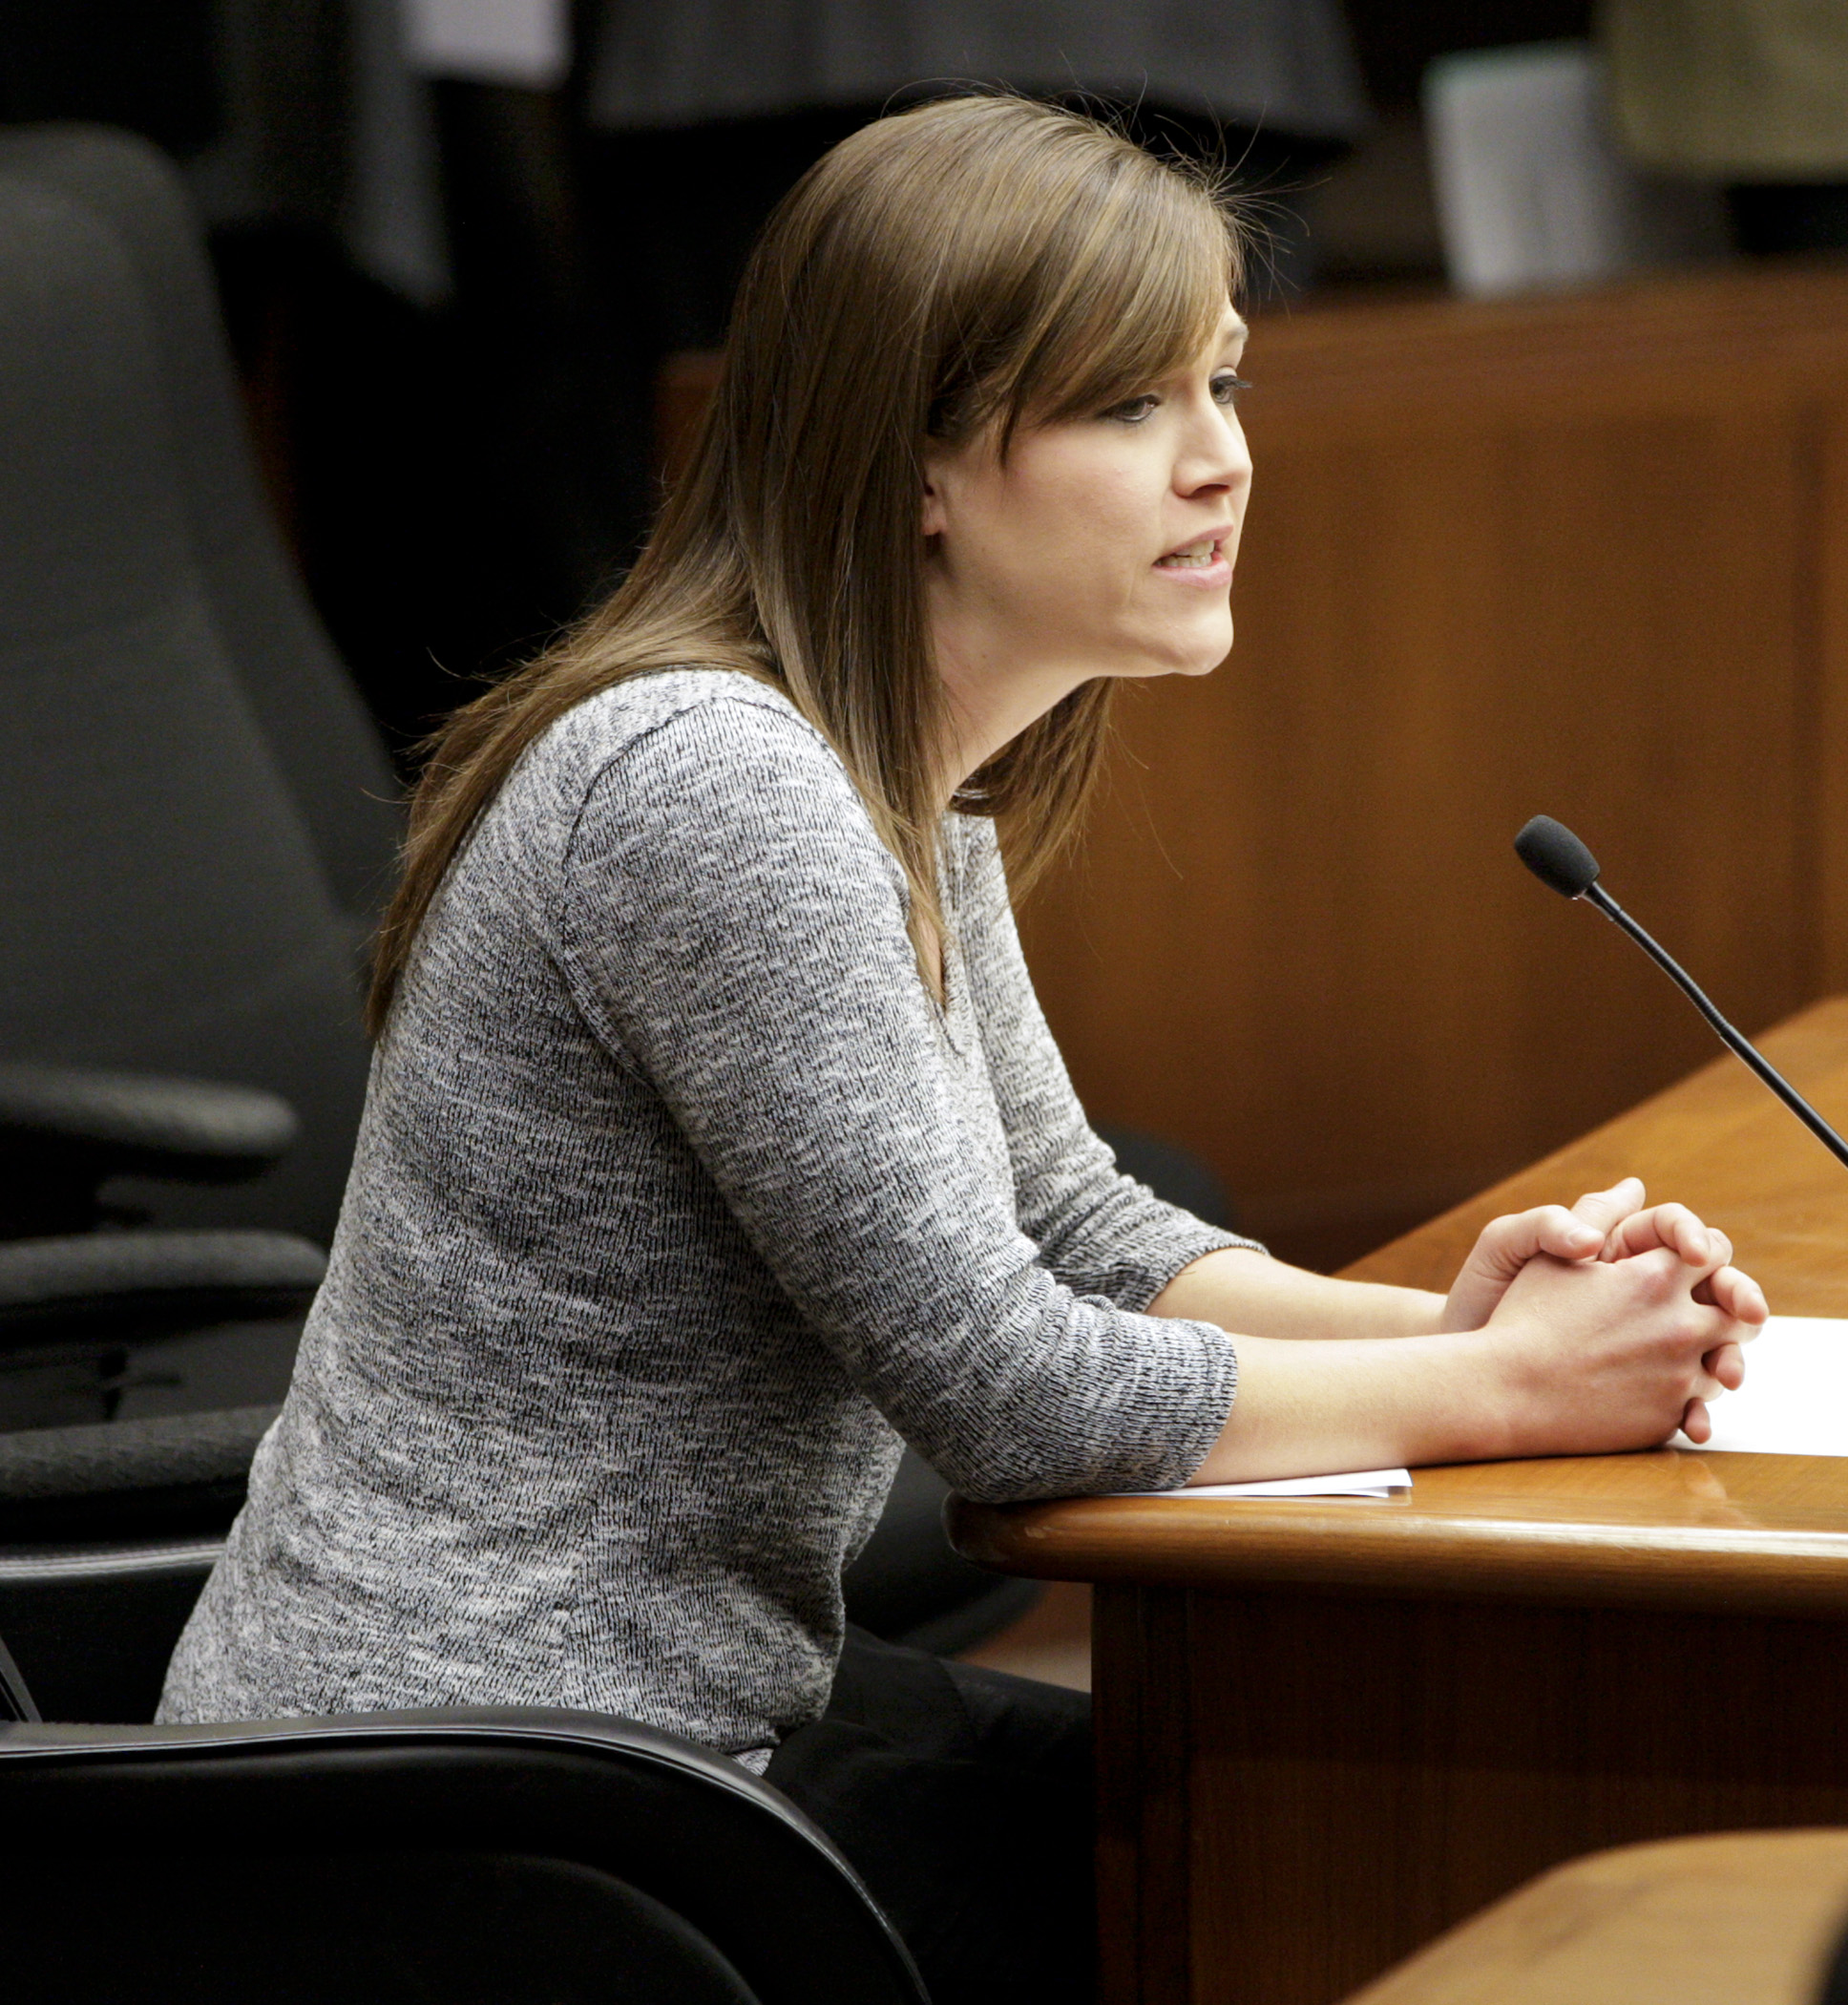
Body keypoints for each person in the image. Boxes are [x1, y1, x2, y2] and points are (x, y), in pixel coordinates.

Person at [158, 93, 1767, 2003]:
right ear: (916, 460)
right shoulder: (714, 786)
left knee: (1312, 1838)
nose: (1218, 466)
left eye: (1223, 386)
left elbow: (1072, 1223)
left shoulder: (891, 779)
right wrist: (1507, 1397)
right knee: (1302, 1877)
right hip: (478, 1815)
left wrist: (1464, 1334)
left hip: (663, 1735)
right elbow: (999, 1388)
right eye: (1126, 408)